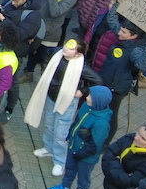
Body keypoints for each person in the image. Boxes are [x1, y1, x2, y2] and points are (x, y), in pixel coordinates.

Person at [26, 38, 97, 178]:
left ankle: (60, 161)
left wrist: (83, 91)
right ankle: (48, 148)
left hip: (67, 103)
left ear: (78, 54)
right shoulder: (57, 55)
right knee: (48, 125)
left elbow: (98, 80)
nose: (65, 49)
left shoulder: (81, 66)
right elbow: (46, 55)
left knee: (60, 133)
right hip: (51, 98)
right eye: (66, 46)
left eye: (70, 49)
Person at [48, 85, 113, 189]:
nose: (87, 97)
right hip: (74, 148)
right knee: (70, 169)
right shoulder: (86, 107)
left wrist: (80, 154)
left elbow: (95, 145)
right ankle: (66, 186)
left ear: (99, 101)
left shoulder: (101, 123)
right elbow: (76, 123)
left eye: (90, 96)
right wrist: (69, 136)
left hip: (86, 157)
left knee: (83, 178)